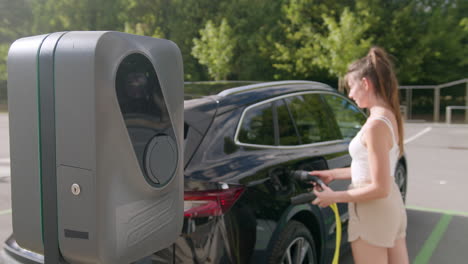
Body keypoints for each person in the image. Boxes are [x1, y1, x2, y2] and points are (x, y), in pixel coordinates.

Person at [310, 46, 409, 264]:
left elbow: (378, 187)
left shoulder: (375, 125)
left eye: (351, 87)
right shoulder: (388, 116)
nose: (350, 94)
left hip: (373, 210)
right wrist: (334, 174)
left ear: (365, 83)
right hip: (389, 206)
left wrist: (333, 197)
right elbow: (372, 172)